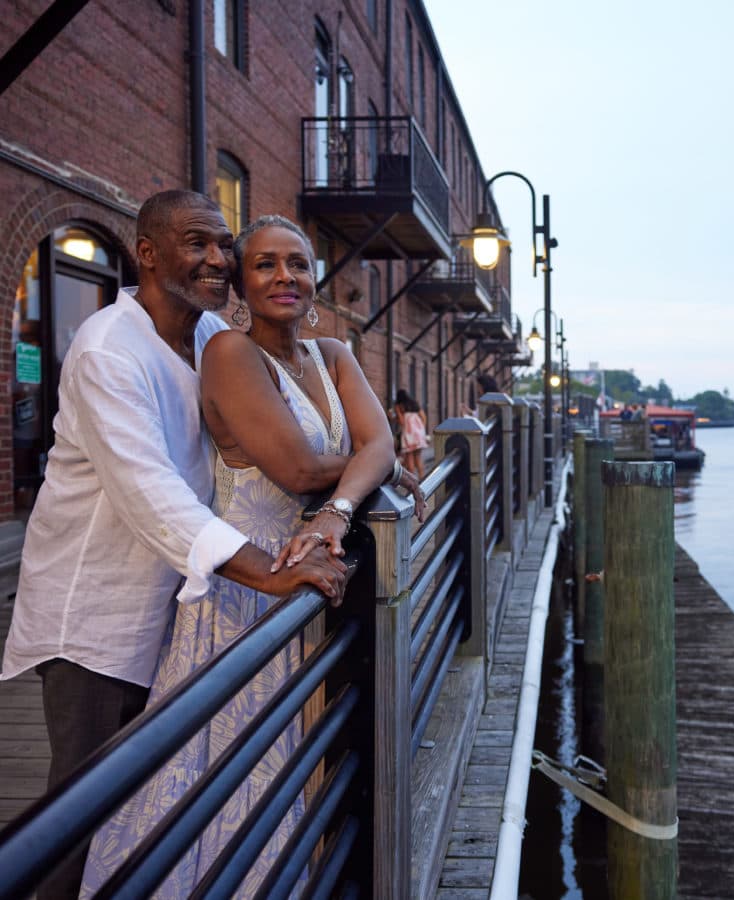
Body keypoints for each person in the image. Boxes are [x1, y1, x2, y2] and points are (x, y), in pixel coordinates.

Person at [0, 191, 347, 900]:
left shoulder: (210, 334)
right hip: (93, 621)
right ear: (148, 253)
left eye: (224, 243)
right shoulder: (107, 351)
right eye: (198, 243)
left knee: (152, 811)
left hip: (178, 608)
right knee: (82, 813)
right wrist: (271, 574)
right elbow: (150, 491)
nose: (219, 258)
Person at [79, 214, 424, 897]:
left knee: (303, 755)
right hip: (248, 587)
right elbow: (296, 468)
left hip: (314, 571)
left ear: (315, 279)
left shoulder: (336, 355)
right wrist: (366, 466)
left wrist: (342, 506)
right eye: (264, 264)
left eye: (297, 263)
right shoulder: (230, 355)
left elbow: (380, 445)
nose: (284, 276)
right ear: (241, 282)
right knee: (233, 771)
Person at [394, 388, 429, 479]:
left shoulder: (399, 406)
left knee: (410, 460)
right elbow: (423, 417)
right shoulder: (414, 404)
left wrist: (395, 417)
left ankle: (413, 482)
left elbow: (402, 422)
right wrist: (421, 429)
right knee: (418, 458)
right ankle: (423, 480)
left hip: (408, 435)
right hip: (419, 434)